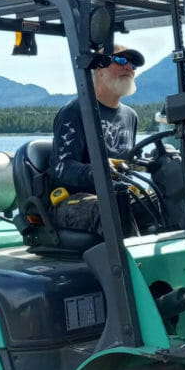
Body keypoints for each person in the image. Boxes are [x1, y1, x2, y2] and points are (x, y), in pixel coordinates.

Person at [49, 44, 145, 236]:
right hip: (72, 199)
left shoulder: (130, 116)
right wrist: (98, 169)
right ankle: (129, 266)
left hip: (118, 193)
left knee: (165, 202)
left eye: (133, 64)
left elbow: (131, 162)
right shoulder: (75, 111)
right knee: (114, 208)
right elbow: (61, 168)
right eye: (120, 60)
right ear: (98, 69)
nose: (129, 68)